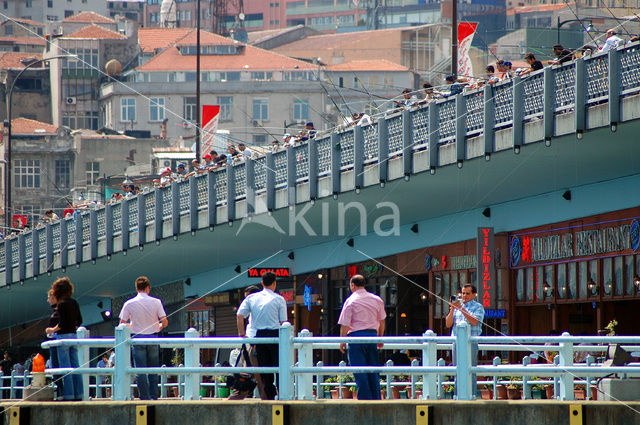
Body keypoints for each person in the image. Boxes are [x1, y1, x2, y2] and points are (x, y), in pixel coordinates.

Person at [236, 271, 287, 400]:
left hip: (259, 336)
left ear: (262, 283)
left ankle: (269, 395)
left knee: (265, 369)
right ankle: (283, 394)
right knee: (279, 366)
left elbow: (239, 315)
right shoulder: (279, 299)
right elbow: (283, 322)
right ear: (274, 283)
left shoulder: (252, 298)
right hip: (275, 335)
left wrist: (242, 334)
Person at [338, 274, 386, 400]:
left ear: (352, 285)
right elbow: (382, 321)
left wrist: (342, 341)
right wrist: (380, 337)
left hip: (356, 337)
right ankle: (376, 400)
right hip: (372, 336)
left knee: (360, 372)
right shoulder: (376, 299)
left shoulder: (350, 301)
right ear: (364, 284)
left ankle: (365, 400)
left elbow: (345, 325)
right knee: (373, 371)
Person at [119, 276, 168, 400]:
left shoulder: (129, 303)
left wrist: (132, 325)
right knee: (153, 369)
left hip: (137, 338)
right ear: (148, 288)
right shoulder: (156, 302)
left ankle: (144, 396)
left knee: (140, 370)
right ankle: (153, 395)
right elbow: (165, 322)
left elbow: (122, 323)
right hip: (153, 337)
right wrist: (159, 326)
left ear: (136, 288)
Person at [45, 277, 83, 401]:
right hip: (73, 336)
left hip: (63, 338)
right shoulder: (74, 302)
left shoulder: (61, 304)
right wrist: (73, 327)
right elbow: (80, 321)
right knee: (75, 367)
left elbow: (61, 324)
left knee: (66, 368)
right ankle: (79, 394)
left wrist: (51, 330)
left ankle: (69, 395)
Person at [446, 284, 484, 398]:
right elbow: (448, 324)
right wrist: (452, 309)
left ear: (474, 294)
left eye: (467, 293)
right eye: (463, 293)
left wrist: (461, 309)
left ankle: (471, 394)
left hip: (470, 342)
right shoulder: (457, 307)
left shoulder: (478, 307)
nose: (465, 296)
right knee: (457, 369)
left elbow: (474, 321)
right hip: (456, 342)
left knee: (470, 369)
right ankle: (458, 394)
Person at [45, 289, 63, 399]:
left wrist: (51, 330)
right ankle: (61, 392)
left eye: (49, 298)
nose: (48, 300)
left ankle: (62, 392)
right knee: (57, 370)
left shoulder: (59, 311)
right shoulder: (56, 311)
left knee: (59, 369)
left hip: (58, 343)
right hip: (55, 343)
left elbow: (63, 323)